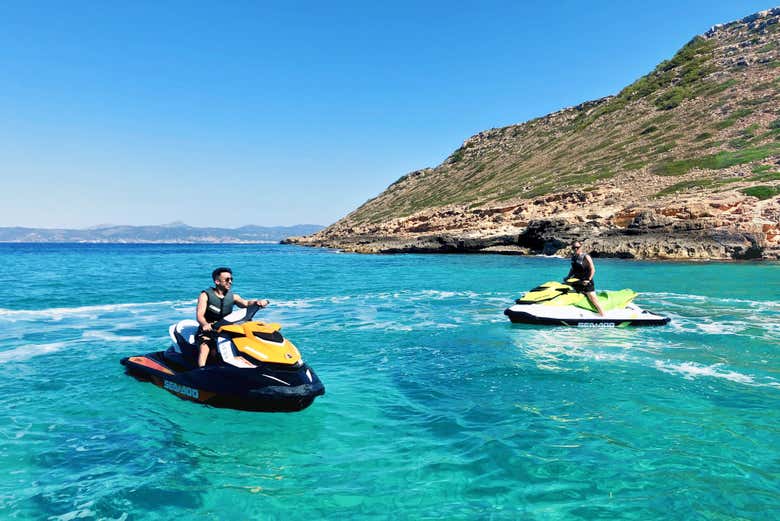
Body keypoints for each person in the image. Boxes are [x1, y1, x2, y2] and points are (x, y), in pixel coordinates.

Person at [196, 267, 269, 367]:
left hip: (226, 328)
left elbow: (246, 303)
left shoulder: (233, 296)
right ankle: (202, 371)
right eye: (226, 280)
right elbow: (200, 315)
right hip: (209, 329)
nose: (230, 282)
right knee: (205, 345)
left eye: (231, 279)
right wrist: (205, 325)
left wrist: (257, 302)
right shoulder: (205, 295)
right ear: (217, 281)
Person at [564, 241, 605, 316]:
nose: (576, 249)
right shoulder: (573, 257)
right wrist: (568, 277)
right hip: (576, 281)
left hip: (586, 281)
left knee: (594, 300)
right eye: (574, 247)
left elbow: (593, 269)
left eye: (577, 247)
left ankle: (603, 316)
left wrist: (588, 279)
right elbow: (573, 269)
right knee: (565, 290)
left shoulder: (586, 256)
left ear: (581, 247)